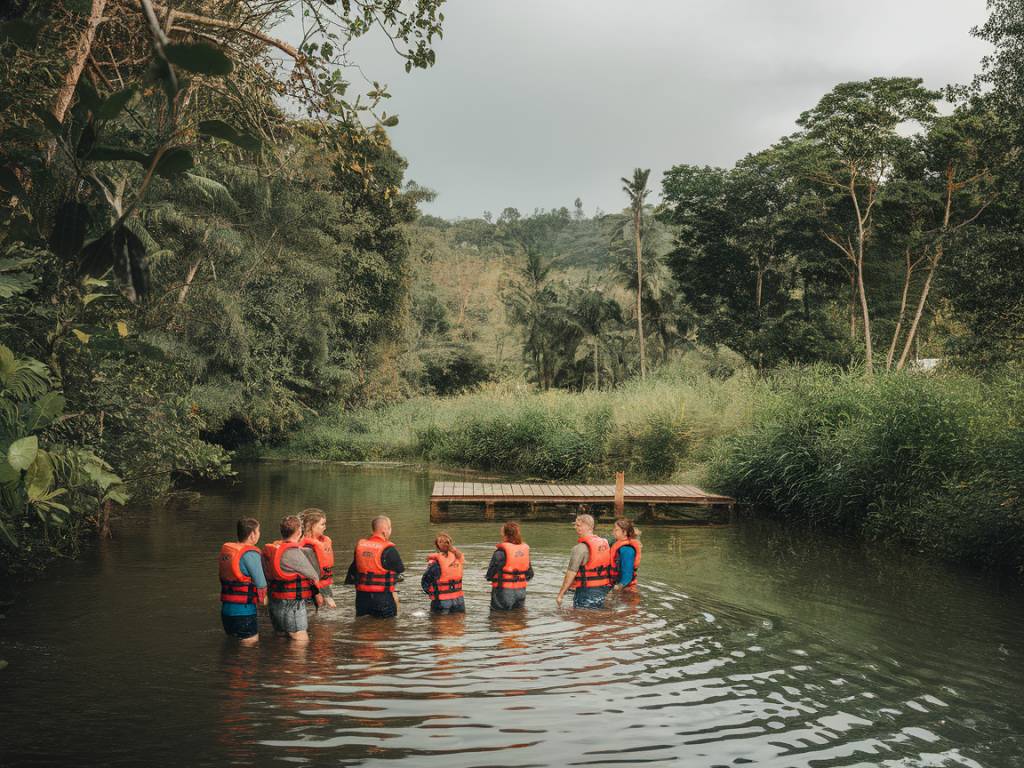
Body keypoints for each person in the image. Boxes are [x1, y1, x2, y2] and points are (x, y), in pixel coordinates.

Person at [262, 515, 323, 642]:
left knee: (281, 637)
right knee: (300, 638)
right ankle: (297, 662)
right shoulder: (293, 552)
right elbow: (314, 575)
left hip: (275, 602)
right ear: (299, 532)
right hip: (292, 603)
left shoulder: (272, 549)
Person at [219, 517, 268, 645]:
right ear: (252, 535)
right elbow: (261, 584)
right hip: (244, 611)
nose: (259, 534)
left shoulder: (230, 551)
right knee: (250, 646)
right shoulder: (251, 554)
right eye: (258, 531)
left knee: (233, 645)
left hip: (226, 611)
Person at [345, 515, 404, 618]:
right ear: (385, 530)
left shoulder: (360, 546)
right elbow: (400, 568)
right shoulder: (389, 549)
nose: (390, 531)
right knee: (388, 628)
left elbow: (354, 568)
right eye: (390, 528)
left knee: (363, 627)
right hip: (382, 598)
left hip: (362, 598)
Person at [555, 513, 611, 609]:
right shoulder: (604, 543)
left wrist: (560, 595)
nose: (575, 527)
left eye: (578, 525)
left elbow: (571, 573)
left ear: (588, 527)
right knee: (595, 618)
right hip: (603, 589)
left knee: (581, 619)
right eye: (575, 525)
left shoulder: (579, 548)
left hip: (586, 591)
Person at [485, 521, 532, 610]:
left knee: (498, 619)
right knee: (519, 618)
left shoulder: (500, 552)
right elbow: (530, 574)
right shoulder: (524, 550)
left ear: (505, 534)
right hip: (521, 592)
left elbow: (489, 575)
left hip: (503, 592)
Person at [300, 508, 337, 610]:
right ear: (310, 526)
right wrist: (323, 595)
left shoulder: (320, 542)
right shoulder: (307, 547)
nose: (325, 527)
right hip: (310, 592)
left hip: (320, 588)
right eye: (322, 524)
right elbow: (311, 574)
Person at [421, 532, 466, 614]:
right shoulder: (458, 558)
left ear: (437, 546)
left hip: (442, 601)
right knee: (458, 624)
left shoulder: (435, 563)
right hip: (459, 600)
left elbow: (425, 581)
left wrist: (430, 593)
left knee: (440, 624)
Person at [608, 518, 642, 592]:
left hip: (626, 590)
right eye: (613, 529)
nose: (613, 532)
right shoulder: (616, 544)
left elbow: (627, 576)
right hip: (617, 585)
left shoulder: (627, 550)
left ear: (624, 532)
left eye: (616, 530)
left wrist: (616, 589)